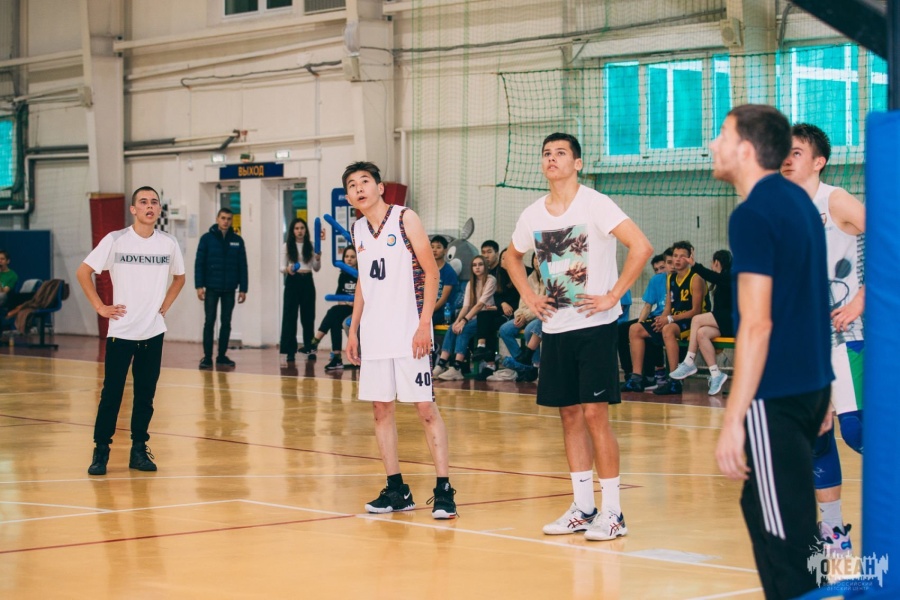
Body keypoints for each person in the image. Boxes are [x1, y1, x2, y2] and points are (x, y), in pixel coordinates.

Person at [711, 105, 833, 599]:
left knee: (787, 538)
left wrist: (734, 419)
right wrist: (824, 390)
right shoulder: (799, 201)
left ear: (745, 150)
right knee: (762, 507)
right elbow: (813, 299)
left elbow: (757, 324)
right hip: (809, 387)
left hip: (776, 394)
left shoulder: (753, 214)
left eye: (722, 136)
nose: (713, 145)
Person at [506, 132, 652, 541]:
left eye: (560, 153)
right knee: (569, 415)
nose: (551, 158)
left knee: (594, 415)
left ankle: (613, 513)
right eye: (546, 153)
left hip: (595, 327)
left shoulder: (596, 203)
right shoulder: (532, 214)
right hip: (556, 329)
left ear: (578, 163)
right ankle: (583, 508)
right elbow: (511, 257)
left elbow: (641, 247)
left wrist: (613, 295)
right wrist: (529, 297)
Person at [343, 161, 457, 519]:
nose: (359, 188)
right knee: (381, 410)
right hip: (375, 334)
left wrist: (424, 324)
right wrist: (353, 329)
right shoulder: (357, 229)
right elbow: (363, 281)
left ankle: (444, 490)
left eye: (364, 181)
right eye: (351, 185)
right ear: (348, 197)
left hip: (410, 331)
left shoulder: (405, 218)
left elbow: (432, 272)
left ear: (380, 187)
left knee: (425, 408)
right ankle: (397, 490)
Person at [781, 123, 865, 554]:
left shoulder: (834, 199)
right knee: (817, 438)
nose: (786, 158)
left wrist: (861, 300)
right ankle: (834, 537)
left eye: (796, 152)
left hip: (847, 337)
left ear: (819, 162)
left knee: (859, 430)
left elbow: (890, 241)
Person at [77, 186, 186, 476]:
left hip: (153, 332)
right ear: (133, 209)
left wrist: (165, 305)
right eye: (143, 202)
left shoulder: (168, 243)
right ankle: (101, 451)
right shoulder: (116, 240)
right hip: (121, 332)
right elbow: (83, 272)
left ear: (159, 209)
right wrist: (101, 307)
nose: (149, 206)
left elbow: (180, 277)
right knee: (112, 394)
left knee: (145, 395)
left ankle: (139, 450)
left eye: (154, 202)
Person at [625, 241, 707, 395]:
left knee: (668, 329)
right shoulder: (670, 278)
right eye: (675, 256)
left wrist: (669, 320)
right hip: (673, 319)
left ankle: (675, 380)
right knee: (635, 329)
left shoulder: (696, 278)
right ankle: (636, 379)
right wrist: (661, 319)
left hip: (693, 321)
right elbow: (668, 307)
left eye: (682, 256)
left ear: (690, 258)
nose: (677, 259)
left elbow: (696, 311)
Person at [669, 249, 734, 395]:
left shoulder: (729, 277)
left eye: (712, 262)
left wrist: (695, 265)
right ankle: (716, 374)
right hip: (724, 323)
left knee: (697, 319)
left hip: (734, 321)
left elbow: (710, 276)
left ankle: (689, 361)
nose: (711, 265)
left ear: (716, 262)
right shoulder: (722, 281)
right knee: (701, 333)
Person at [195, 208, 248, 369]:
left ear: (232, 221)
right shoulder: (206, 239)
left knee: (226, 322)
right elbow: (199, 263)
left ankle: (222, 356)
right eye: (223, 218)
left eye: (229, 219)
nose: (226, 221)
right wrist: (199, 286)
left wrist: (243, 289)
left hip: (230, 289)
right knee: (209, 321)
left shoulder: (237, 241)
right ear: (217, 219)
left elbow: (243, 266)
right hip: (211, 287)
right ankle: (207, 357)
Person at [433, 255, 496, 381]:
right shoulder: (470, 283)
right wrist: (457, 321)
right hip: (471, 316)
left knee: (464, 330)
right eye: (474, 265)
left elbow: (479, 305)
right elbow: (466, 306)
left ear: (485, 266)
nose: (477, 267)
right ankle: (441, 364)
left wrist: (464, 321)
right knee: (452, 328)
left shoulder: (491, 280)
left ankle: (457, 367)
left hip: (485, 317)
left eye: (480, 264)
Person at [617, 251, 667, 388]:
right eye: (656, 269)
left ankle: (651, 376)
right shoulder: (656, 281)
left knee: (647, 331)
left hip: (669, 319)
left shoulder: (676, 280)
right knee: (622, 330)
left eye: (662, 267)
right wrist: (640, 323)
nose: (659, 272)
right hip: (654, 316)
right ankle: (630, 374)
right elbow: (647, 306)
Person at [493, 252, 544, 382]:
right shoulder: (530, 277)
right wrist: (520, 315)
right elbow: (523, 300)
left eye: (540, 258)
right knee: (505, 329)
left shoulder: (550, 279)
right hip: (526, 314)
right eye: (535, 258)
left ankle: (535, 365)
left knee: (529, 330)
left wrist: (525, 316)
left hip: (539, 316)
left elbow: (544, 305)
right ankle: (523, 364)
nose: (537, 261)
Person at [471, 248, 520, 379]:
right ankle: (483, 349)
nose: (504, 261)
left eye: (507, 258)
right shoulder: (498, 275)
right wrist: (501, 304)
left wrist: (507, 306)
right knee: (483, 314)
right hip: (500, 309)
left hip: (514, 312)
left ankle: (490, 361)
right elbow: (496, 295)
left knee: (491, 325)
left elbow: (521, 298)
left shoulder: (520, 274)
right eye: (503, 259)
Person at [309, 246, 358, 371]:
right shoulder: (343, 276)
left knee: (333, 312)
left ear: (357, 259)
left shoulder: (360, 275)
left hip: (358, 310)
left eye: (352, 257)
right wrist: (347, 302)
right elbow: (339, 298)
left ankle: (315, 342)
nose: (349, 259)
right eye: (346, 256)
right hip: (346, 308)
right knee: (334, 319)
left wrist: (352, 303)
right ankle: (336, 358)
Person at [279, 217, 321, 363]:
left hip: (307, 280)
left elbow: (316, 268)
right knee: (290, 317)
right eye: (296, 228)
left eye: (302, 228)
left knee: (308, 317)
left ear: (306, 230)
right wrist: (288, 269)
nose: (299, 231)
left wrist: (318, 258)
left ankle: (309, 348)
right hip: (293, 281)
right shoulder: (286, 246)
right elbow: (281, 267)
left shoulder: (311, 245)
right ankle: (290, 351)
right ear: (292, 231)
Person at [431, 235, 458, 326]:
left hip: (444, 311)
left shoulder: (449, 272)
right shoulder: (428, 270)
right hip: (430, 308)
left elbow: (443, 299)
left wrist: (428, 312)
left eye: (438, 247)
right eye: (432, 247)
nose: (434, 250)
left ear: (445, 251)